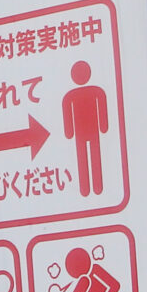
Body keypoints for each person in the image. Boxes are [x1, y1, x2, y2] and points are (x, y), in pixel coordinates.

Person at [63, 61, 110, 197]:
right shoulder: (73, 95)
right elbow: (67, 111)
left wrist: (103, 125)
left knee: (93, 156)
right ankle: (87, 188)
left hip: (88, 131)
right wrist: (69, 132)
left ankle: (96, 187)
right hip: (83, 132)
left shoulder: (95, 91)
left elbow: (101, 105)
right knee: (83, 157)